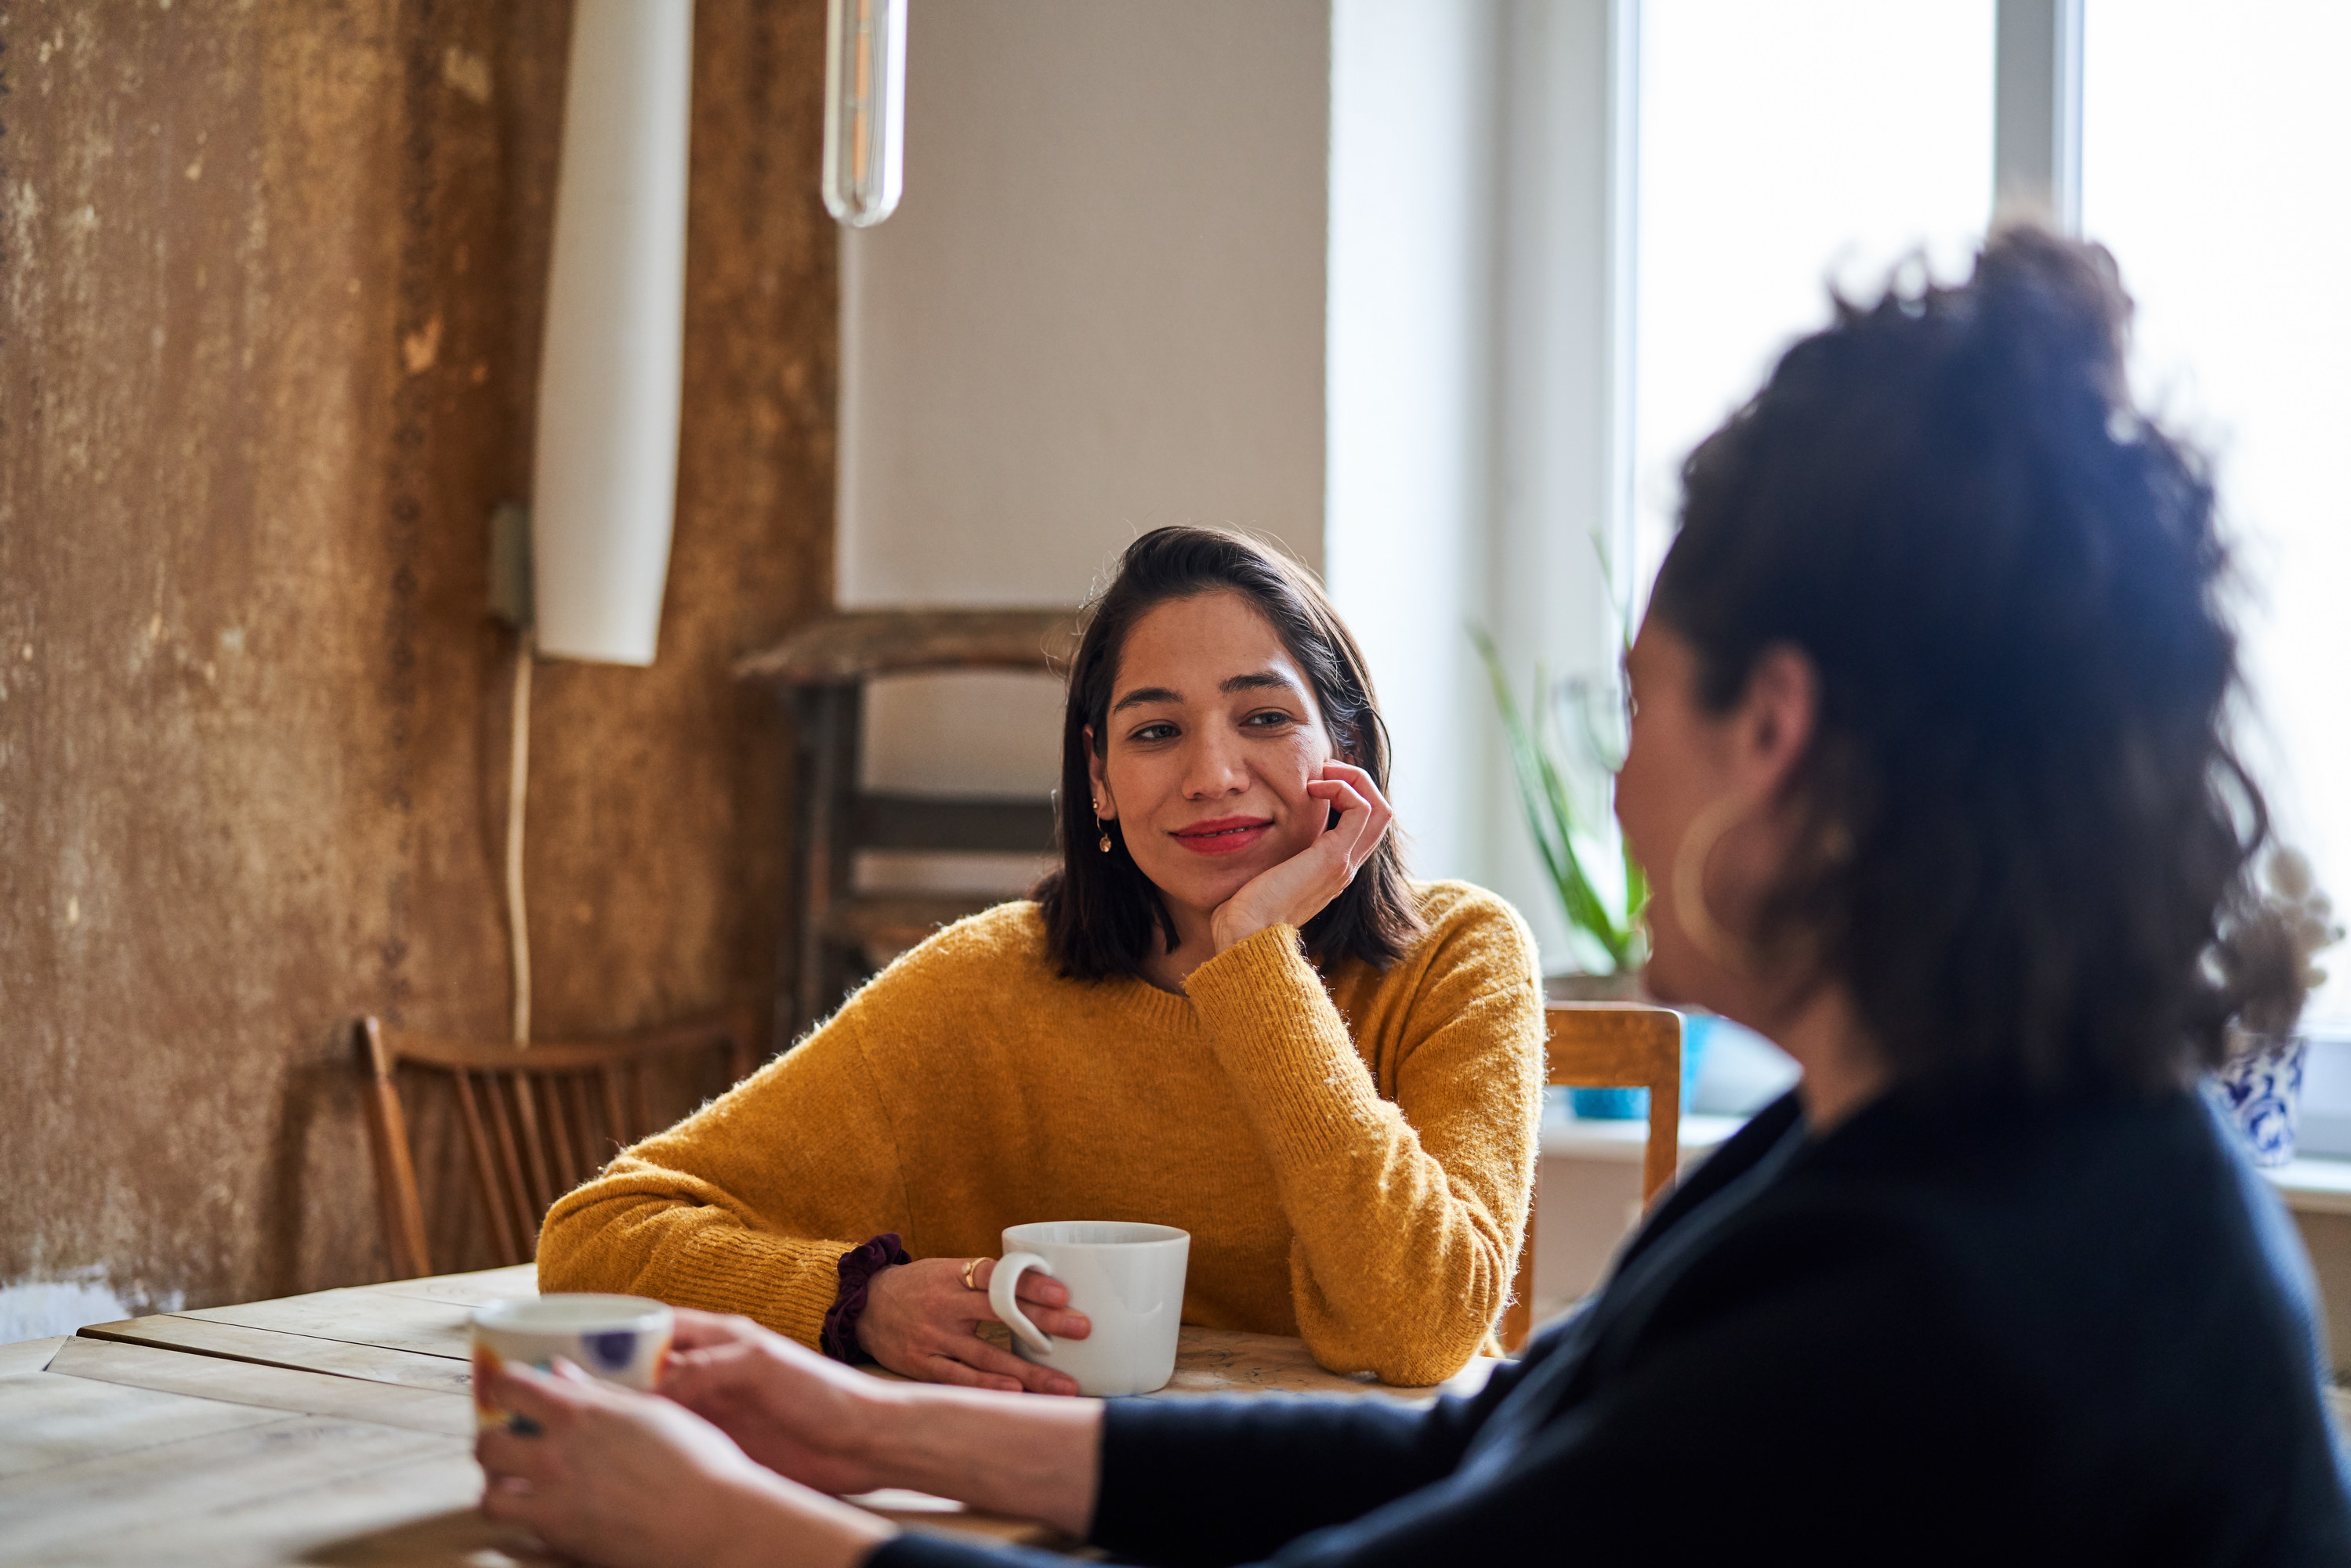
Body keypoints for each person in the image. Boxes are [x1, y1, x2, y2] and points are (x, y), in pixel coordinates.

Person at [482, 228, 2351, 1565]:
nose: (1615, 785)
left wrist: (739, 1529)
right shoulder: (1954, 1155)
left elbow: (1433, 1382)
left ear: (1774, 735)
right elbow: (1474, 1439)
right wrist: (866, 1412)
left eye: (1639, 709)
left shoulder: (1941, 1292)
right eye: (1150, 730)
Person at [537, 526, 1546, 1393]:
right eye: (1156, 731)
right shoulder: (981, 987)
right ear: (1100, 782)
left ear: (1348, 750)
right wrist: (859, 1302)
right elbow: (596, 1239)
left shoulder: (1461, 955)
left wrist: (1255, 960)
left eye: (1266, 718)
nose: (1212, 775)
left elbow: (1422, 1329)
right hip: (1036, 1506)